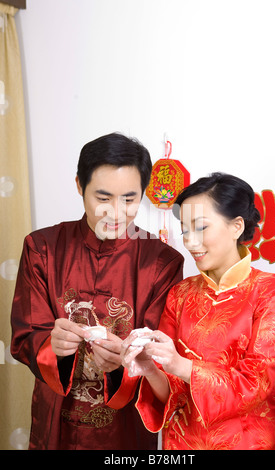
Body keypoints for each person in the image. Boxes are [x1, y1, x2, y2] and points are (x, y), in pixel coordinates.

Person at [10, 132, 184, 450]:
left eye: (129, 199)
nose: (116, 213)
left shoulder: (162, 263)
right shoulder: (42, 248)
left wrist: (127, 362)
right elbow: (24, 336)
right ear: (80, 185)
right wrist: (52, 346)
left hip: (125, 432)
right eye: (103, 198)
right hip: (56, 427)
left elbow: (162, 356)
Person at [121, 172, 275, 450]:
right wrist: (152, 369)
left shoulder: (272, 290)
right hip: (183, 443)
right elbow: (173, 391)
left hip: (249, 442)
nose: (190, 242)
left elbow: (257, 383)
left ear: (237, 226)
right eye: (185, 231)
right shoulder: (180, 294)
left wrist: (180, 365)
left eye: (200, 227)